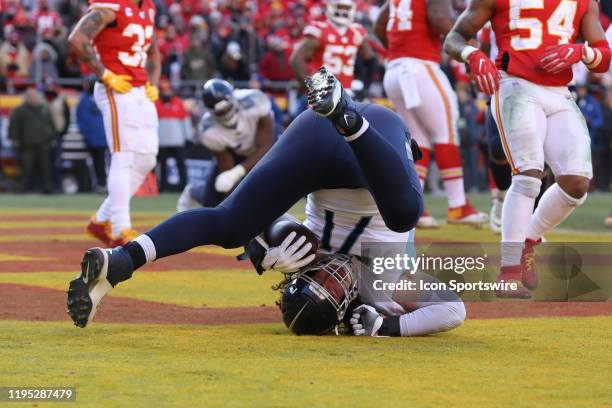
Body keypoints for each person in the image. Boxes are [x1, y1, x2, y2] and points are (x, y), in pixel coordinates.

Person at [66, 68, 424, 329]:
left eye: (321, 284)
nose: (330, 282)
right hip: (375, 134)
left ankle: (121, 261)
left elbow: (269, 218)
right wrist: (392, 327)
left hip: (315, 136)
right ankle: (349, 120)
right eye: (332, 289)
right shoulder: (390, 282)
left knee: (230, 224)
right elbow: (452, 309)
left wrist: (266, 242)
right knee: (405, 213)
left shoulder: (304, 258)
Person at [444, 0, 611, 297]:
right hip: (513, 84)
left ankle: (529, 239)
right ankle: (508, 271)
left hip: (559, 92)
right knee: (528, 174)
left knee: (577, 183)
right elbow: (453, 38)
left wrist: (581, 51)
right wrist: (472, 54)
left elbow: (603, 58)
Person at [375, 0, 487, 229]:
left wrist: (399, 50)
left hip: (396, 69)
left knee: (419, 140)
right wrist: (465, 41)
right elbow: (440, 17)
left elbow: (379, 25)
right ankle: (458, 205)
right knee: (446, 133)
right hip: (419, 67)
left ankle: (415, 206)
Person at [68, 0, 161, 247]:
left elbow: (153, 51)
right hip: (117, 87)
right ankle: (121, 229)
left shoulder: (148, 7)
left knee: (147, 158)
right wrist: (105, 74)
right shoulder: (113, 6)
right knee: (124, 155)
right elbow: (77, 39)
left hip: (140, 88)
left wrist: (153, 82)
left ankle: (101, 219)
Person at [176, 79, 275, 211]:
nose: (226, 114)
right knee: (212, 202)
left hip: (263, 148)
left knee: (272, 187)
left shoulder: (255, 101)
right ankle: (193, 191)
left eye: (227, 108)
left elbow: (266, 147)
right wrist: (237, 204)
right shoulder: (208, 130)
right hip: (235, 153)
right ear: (211, 112)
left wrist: (238, 172)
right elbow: (227, 170)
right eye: (220, 112)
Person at [290, 0, 375, 89]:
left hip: (347, 89)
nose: (342, 11)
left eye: (346, 8)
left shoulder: (356, 32)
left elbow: (371, 61)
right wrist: (311, 88)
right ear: (330, 8)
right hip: (324, 90)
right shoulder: (320, 30)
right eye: (339, 7)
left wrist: (365, 87)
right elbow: (296, 60)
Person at [8, 87, 56, 193]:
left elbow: (51, 124)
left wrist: (52, 136)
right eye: (31, 96)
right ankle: (22, 189)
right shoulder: (19, 110)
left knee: (46, 169)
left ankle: (47, 189)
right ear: (27, 97)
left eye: (35, 96)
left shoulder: (43, 109)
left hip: (43, 144)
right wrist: (14, 140)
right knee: (26, 169)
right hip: (27, 145)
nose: (34, 99)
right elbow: (14, 126)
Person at [156, 79, 191, 192]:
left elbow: (185, 120)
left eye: (168, 90)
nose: (166, 92)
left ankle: (183, 187)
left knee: (181, 164)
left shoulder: (179, 102)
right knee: (162, 166)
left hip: (177, 141)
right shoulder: (155, 103)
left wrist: (188, 136)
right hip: (162, 142)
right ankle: (163, 187)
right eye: (164, 90)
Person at [76, 76, 108, 192]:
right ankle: (97, 184)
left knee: (103, 162)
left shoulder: (104, 97)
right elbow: (81, 119)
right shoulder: (85, 99)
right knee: (95, 162)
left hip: (103, 137)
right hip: (93, 138)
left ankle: (104, 184)